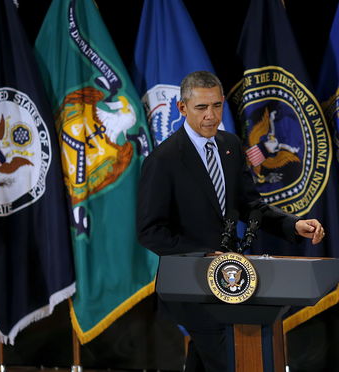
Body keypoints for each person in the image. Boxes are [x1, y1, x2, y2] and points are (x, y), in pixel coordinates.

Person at [137, 70, 324, 372]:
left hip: (231, 281)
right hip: (191, 285)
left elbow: (250, 206)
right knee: (234, 362)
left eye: (216, 106)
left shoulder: (231, 146)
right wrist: (204, 256)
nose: (211, 116)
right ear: (182, 108)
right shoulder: (164, 160)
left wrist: (293, 224)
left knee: (211, 360)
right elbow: (150, 232)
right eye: (201, 107)